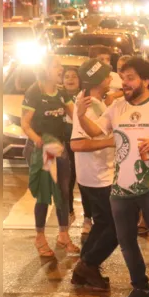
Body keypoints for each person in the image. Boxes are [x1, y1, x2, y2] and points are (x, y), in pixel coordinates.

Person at [75, 58, 149, 297]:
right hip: (120, 188)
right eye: (123, 77)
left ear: (146, 81)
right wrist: (80, 115)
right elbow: (96, 131)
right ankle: (140, 288)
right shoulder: (116, 108)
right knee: (126, 241)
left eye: (131, 78)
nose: (124, 83)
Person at [21, 55, 80, 257]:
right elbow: (25, 125)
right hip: (41, 150)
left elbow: (77, 116)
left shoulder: (62, 92)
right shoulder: (34, 92)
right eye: (56, 66)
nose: (61, 69)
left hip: (59, 149)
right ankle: (40, 237)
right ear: (45, 69)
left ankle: (63, 235)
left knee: (64, 192)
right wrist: (38, 140)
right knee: (44, 195)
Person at [69, 59, 118, 290]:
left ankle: (83, 269)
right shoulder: (86, 104)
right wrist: (111, 141)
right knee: (117, 225)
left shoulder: (96, 102)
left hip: (100, 174)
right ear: (99, 80)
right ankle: (88, 264)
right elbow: (77, 144)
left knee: (102, 223)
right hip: (96, 177)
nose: (111, 79)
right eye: (108, 75)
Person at [62, 67, 86, 229]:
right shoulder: (56, 97)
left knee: (85, 182)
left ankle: (88, 217)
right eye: (66, 76)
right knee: (67, 182)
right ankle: (68, 213)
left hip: (82, 143)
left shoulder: (85, 97)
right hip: (64, 145)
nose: (70, 79)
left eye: (74, 76)